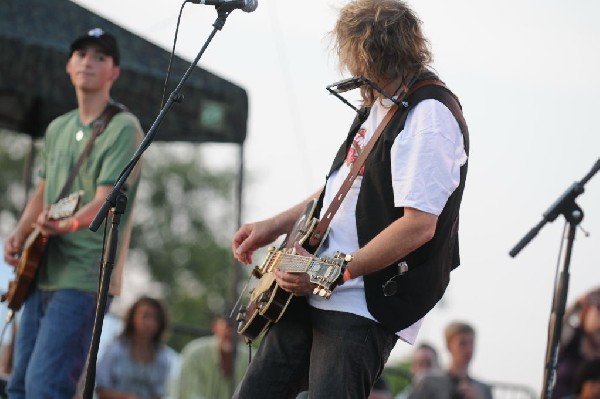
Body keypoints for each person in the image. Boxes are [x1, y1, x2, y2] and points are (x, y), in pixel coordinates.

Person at [231, 0, 469, 397]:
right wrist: (274, 225)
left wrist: (327, 273)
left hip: (361, 301)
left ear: (368, 55)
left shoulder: (430, 116)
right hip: (311, 286)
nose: (352, 72)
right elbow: (343, 187)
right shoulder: (382, 103)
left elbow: (419, 225)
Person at [2, 27, 143, 398]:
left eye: (100, 57)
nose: (88, 62)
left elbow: (104, 199)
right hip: (41, 267)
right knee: (17, 386)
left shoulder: (123, 127)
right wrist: (20, 232)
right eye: (81, 54)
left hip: (84, 277)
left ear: (114, 72)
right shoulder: (57, 127)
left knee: (45, 386)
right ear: (68, 65)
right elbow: (45, 191)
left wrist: (67, 224)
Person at [96, 296, 173, 399]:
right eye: (145, 316)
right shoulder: (115, 348)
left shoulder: (163, 356)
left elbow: (159, 393)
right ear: (132, 317)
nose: (150, 323)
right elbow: (101, 389)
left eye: (155, 318)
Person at [409, 321, 492, 399]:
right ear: (448, 346)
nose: (468, 349)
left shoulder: (484, 389)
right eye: (462, 343)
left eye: (471, 343)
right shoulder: (429, 383)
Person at [173, 314, 249, 399]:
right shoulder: (195, 354)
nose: (232, 332)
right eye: (229, 325)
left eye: (238, 326)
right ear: (215, 327)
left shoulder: (252, 358)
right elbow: (189, 395)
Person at [553, 287, 600, 399]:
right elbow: (556, 327)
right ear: (586, 311)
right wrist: (577, 304)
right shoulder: (573, 336)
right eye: (598, 308)